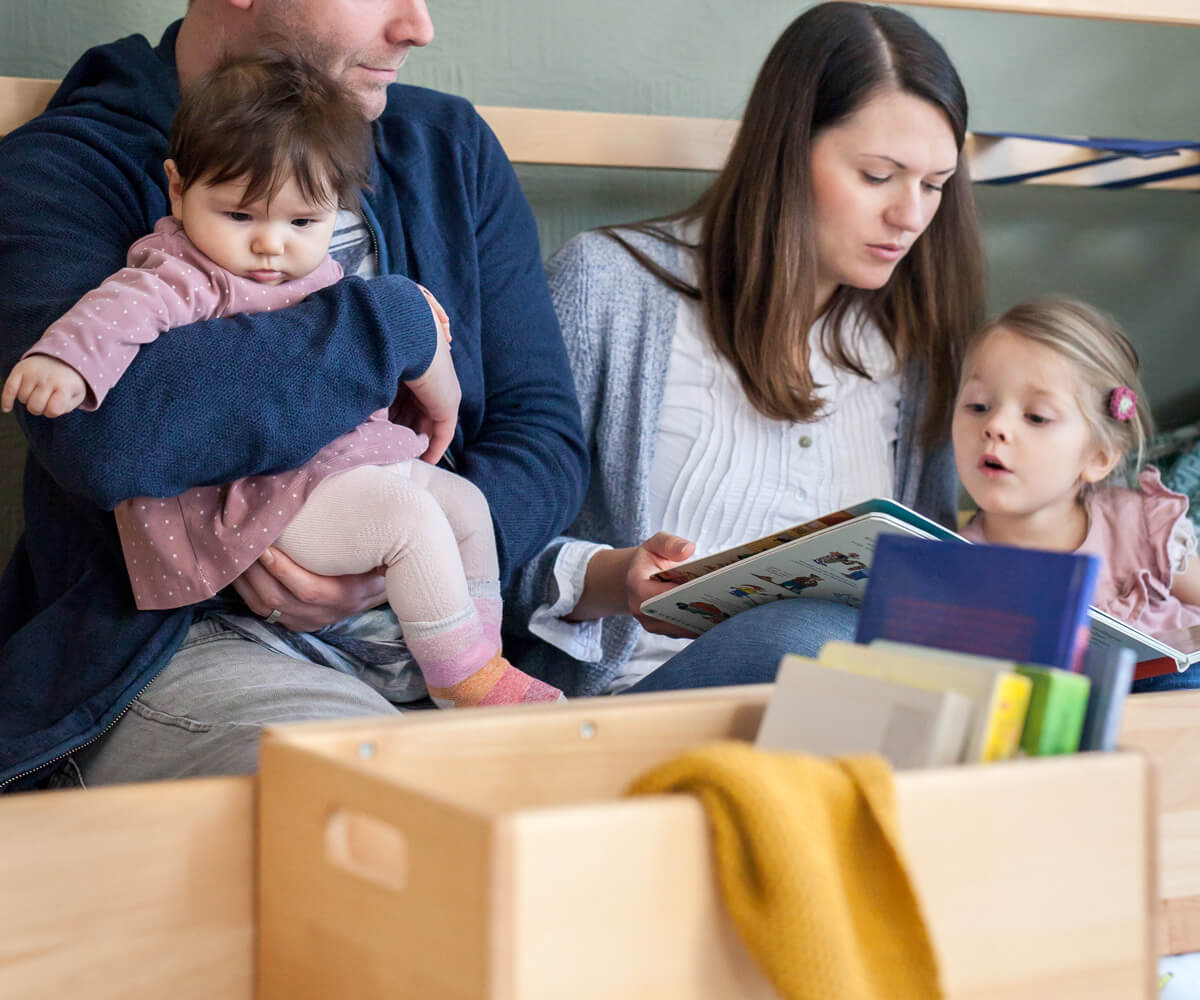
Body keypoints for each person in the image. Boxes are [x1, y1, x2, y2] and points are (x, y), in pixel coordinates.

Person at [0, 0, 587, 791]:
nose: (419, 26)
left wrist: (398, 566)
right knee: (390, 796)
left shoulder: (447, 149)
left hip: (433, 631)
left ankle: (471, 672)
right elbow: (111, 438)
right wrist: (394, 323)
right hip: (184, 646)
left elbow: (543, 438)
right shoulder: (67, 166)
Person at [510, 1, 983, 697]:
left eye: (935, 185)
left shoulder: (913, 339)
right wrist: (614, 578)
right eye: (878, 176)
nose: (910, 216)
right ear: (787, 150)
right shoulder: (609, 287)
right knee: (803, 639)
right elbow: (487, 560)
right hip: (636, 704)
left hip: (850, 709)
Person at [953, 295, 1200, 692]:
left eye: (1036, 416)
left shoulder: (1139, 526)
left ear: (1099, 458)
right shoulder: (953, 563)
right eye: (978, 406)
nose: (995, 425)